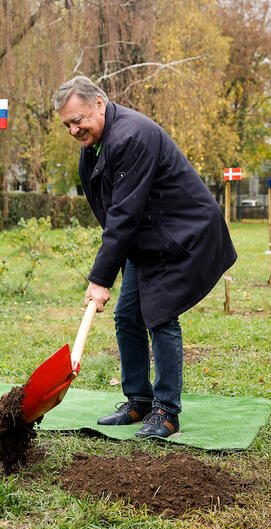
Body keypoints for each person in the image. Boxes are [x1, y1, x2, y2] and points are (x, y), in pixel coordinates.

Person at [53, 75, 236, 439]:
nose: (74, 129)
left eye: (80, 119)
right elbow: (111, 213)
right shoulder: (94, 148)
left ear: (100, 104)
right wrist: (111, 267)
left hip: (182, 235)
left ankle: (166, 412)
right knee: (127, 317)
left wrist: (101, 278)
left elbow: (123, 214)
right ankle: (138, 400)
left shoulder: (132, 136)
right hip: (146, 238)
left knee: (160, 316)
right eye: (67, 124)